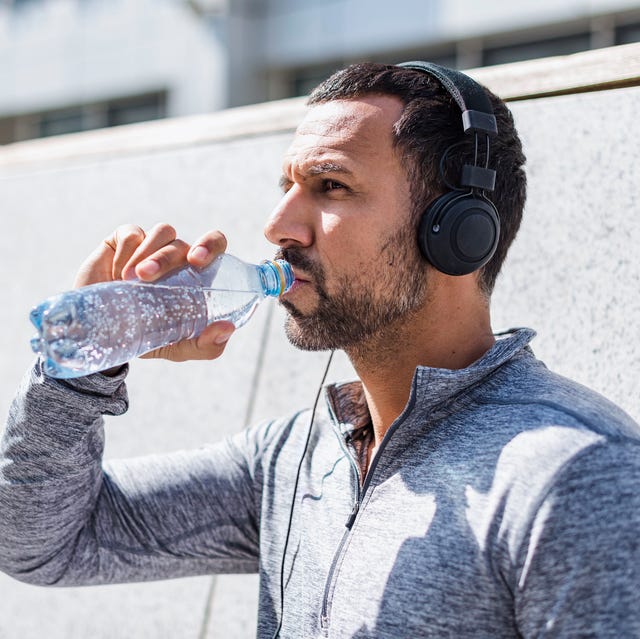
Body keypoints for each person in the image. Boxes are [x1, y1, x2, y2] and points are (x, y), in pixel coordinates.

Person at [1, 61, 639, 638]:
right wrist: (82, 358)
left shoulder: (579, 476)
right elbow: (39, 542)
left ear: (456, 230)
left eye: (330, 185)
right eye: (286, 184)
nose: (277, 226)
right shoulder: (292, 459)